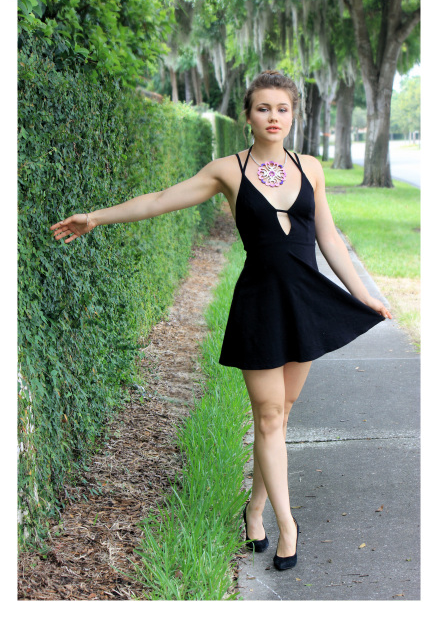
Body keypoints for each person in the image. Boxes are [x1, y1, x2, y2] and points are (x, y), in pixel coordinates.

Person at [50, 70, 392, 571]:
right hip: (260, 304)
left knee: (280, 416)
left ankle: (253, 509)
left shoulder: (311, 168)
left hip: (305, 303)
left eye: (282, 109)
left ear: (293, 115)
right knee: (269, 417)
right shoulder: (227, 170)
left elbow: (330, 238)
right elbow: (159, 200)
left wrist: (364, 296)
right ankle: (288, 525)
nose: (273, 117)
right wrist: (96, 217)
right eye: (263, 108)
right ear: (247, 114)